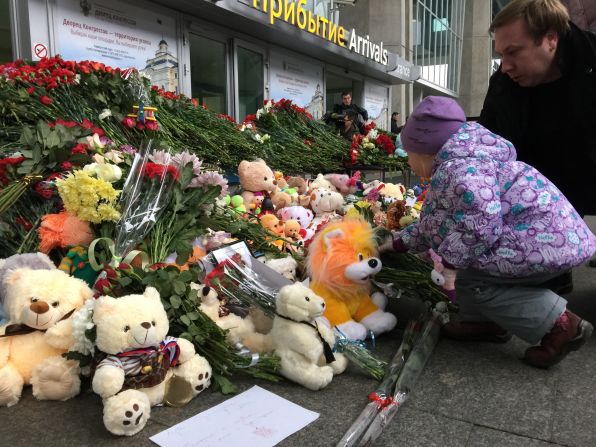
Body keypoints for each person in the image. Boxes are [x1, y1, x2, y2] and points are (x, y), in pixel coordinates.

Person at [381, 96, 595, 368]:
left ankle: (561, 325)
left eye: (409, 154)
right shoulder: (464, 160)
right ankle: (486, 323)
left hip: (541, 243)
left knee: (474, 280)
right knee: (469, 269)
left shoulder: (458, 169)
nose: (409, 163)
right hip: (547, 237)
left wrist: (449, 263)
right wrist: (397, 244)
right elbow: (437, 222)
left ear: (426, 148)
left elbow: (482, 221)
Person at [478, 0, 596, 269]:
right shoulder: (502, 83)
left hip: (586, 171)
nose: (505, 65)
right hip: (536, 188)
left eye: (513, 52)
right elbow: (487, 140)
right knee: (542, 272)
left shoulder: (591, 63)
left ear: (550, 39)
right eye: (501, 55)